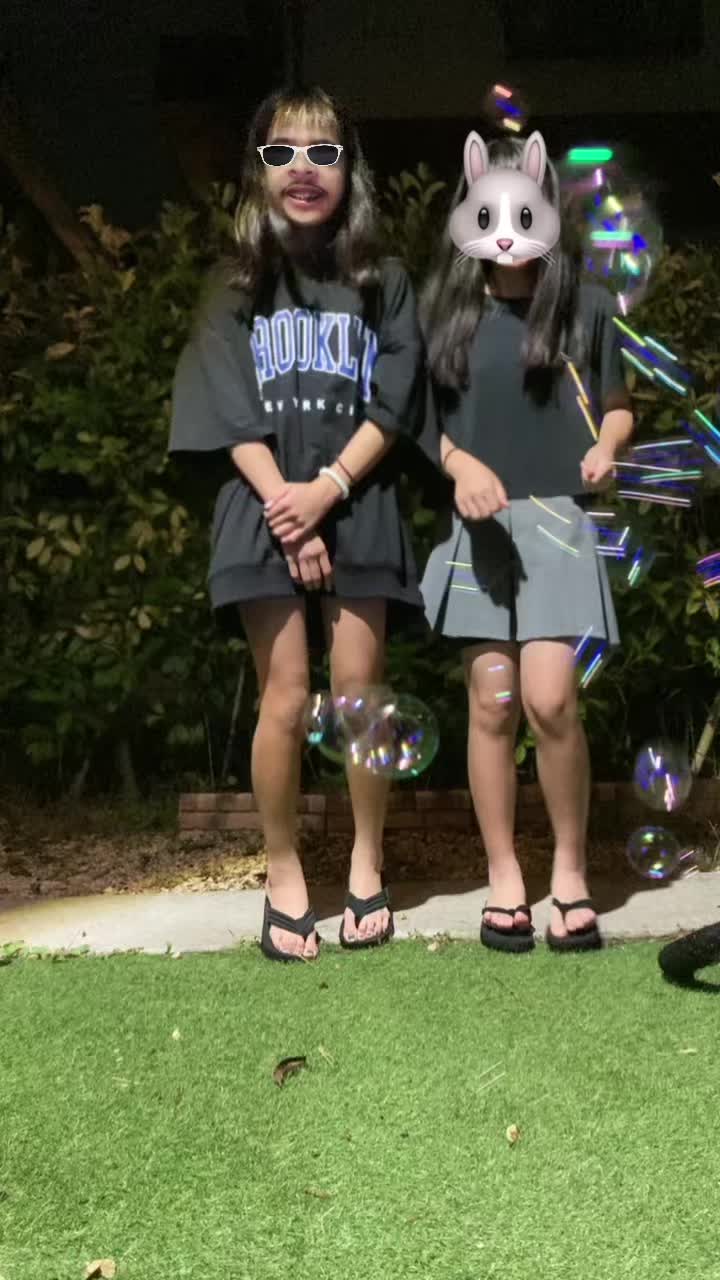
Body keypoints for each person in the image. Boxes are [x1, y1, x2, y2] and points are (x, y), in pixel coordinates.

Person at [169, 85, 428, 962]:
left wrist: (328, 490)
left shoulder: (383, 281)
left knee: (361, 692)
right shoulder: (233, 283)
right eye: (281, 152)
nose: (303, 169)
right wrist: (291, 506)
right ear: (259, 170)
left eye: (324, 151)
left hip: (359, 500)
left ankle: (365, 862)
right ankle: (283, 875)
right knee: (282, 696)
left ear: (351, 168)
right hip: (261, 504)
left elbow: (396, 400)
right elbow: (227, 407)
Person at [420, 132, 633, 953]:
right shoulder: (446, 313)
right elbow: (421, 424)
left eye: (522, 210)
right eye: (490, 212)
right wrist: (458, 463)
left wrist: (607, 445)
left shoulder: (587, 306)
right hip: (480, 525)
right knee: (492, 705)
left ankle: (570, 872)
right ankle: (504, 875)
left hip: (559, 521)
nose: (506, 231)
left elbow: (617, 404)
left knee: (550, 702)